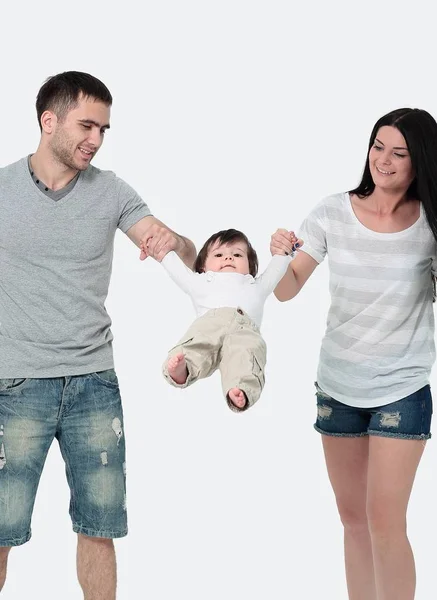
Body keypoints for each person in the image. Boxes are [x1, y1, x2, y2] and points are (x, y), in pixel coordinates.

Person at [0, 71, 196, 600]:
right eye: (87, 125)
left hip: (94, 385)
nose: (96, 139)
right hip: (15, 385)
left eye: (104, 129)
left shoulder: (111, 191)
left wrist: (171, 238)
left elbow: (189, 254)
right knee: (0, 532)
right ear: (49, 121)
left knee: (99, 529)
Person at [271, 108, 437, 600]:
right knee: (352, 519)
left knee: (386, 521)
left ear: (420, 160)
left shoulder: (431, 223)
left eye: (399, 153)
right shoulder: (331, 212)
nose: (383, 160)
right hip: (338, 387)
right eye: (377, 146)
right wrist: (280, 254)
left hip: (402, 388)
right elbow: (286, 289)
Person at [143, 228, 300, 411]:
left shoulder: (257, 285)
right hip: (210, 325)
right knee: (197, 344)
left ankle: (240, 387)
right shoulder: (200, 282)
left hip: (244, 330)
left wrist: (286, 249)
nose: (228, 258)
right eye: (218, 254)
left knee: (247, 353)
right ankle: (183, 369)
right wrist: (160, 250)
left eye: (237, 254)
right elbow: (176, 269)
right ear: (203, 266)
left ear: (250, 266)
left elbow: (276, 267)